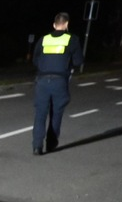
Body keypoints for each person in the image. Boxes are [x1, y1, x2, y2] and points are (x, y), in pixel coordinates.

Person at [32, 12, 83, 155]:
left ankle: (37, 146)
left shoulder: (44, 39)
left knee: (40, 114)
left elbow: (35, 60)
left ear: (54, 25)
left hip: (42, 81)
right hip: (59, 81)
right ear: (66, 24)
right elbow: (78, 61)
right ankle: (51, 144)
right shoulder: (72, 39)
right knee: (56, 113)